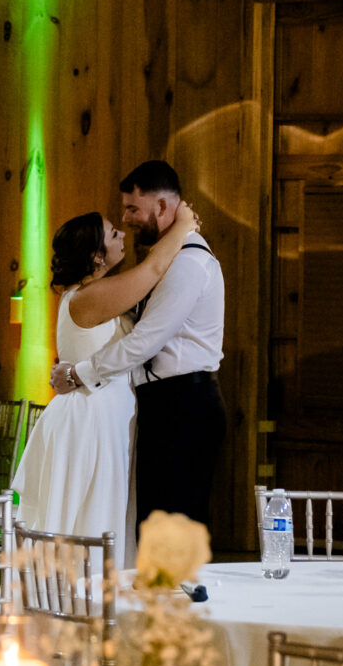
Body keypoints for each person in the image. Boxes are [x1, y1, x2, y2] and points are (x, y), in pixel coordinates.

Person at [11, 201, 198, 564]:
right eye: (113, 233)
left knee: (102, 516)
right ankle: (84, 594)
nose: (122, 235)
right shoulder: (89, 296)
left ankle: (97, 593)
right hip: (91, 421)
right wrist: (183, 224)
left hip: (104, 414)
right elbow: (154, 268)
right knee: (91, 519)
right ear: (97, 256)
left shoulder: (93, 293)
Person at [49, 160, 226, 530]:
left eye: (132, 209)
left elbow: (144, 341)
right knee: (147, 522)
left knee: (171, 527)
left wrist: (80, 372)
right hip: (157, 406)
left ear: (161, 206)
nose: (126, 221)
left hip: (184, 404)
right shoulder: (160, 262)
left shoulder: (188, 263)